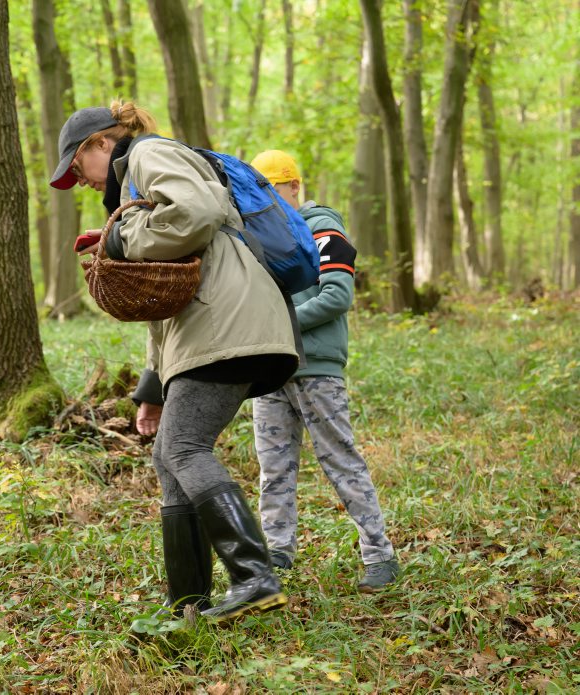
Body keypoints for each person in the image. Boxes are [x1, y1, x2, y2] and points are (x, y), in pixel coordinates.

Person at [50, 102, 301, 622]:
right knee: (170, 453)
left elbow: (198, 214)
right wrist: (152, 387)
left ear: (102, 142)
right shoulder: (136, 181)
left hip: (230, 322)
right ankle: (188, 600)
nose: (81, 182)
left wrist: (121, 239)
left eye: (77, 168)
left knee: (183, 447)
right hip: (208, 328)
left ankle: (255, 577)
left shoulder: (147, 152)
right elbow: (167, 295)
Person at [248, 149, 400, 592]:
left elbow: (336, 296)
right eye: (261, 196)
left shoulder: (322, 229)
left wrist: (282, 328)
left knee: (341, 461)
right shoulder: (266, 240)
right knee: (273, 467)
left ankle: (379, 554)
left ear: (294, 186)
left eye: (275, 191)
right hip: (271, 368)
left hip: (315, 367)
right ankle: (277, 551)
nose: (269, 204)